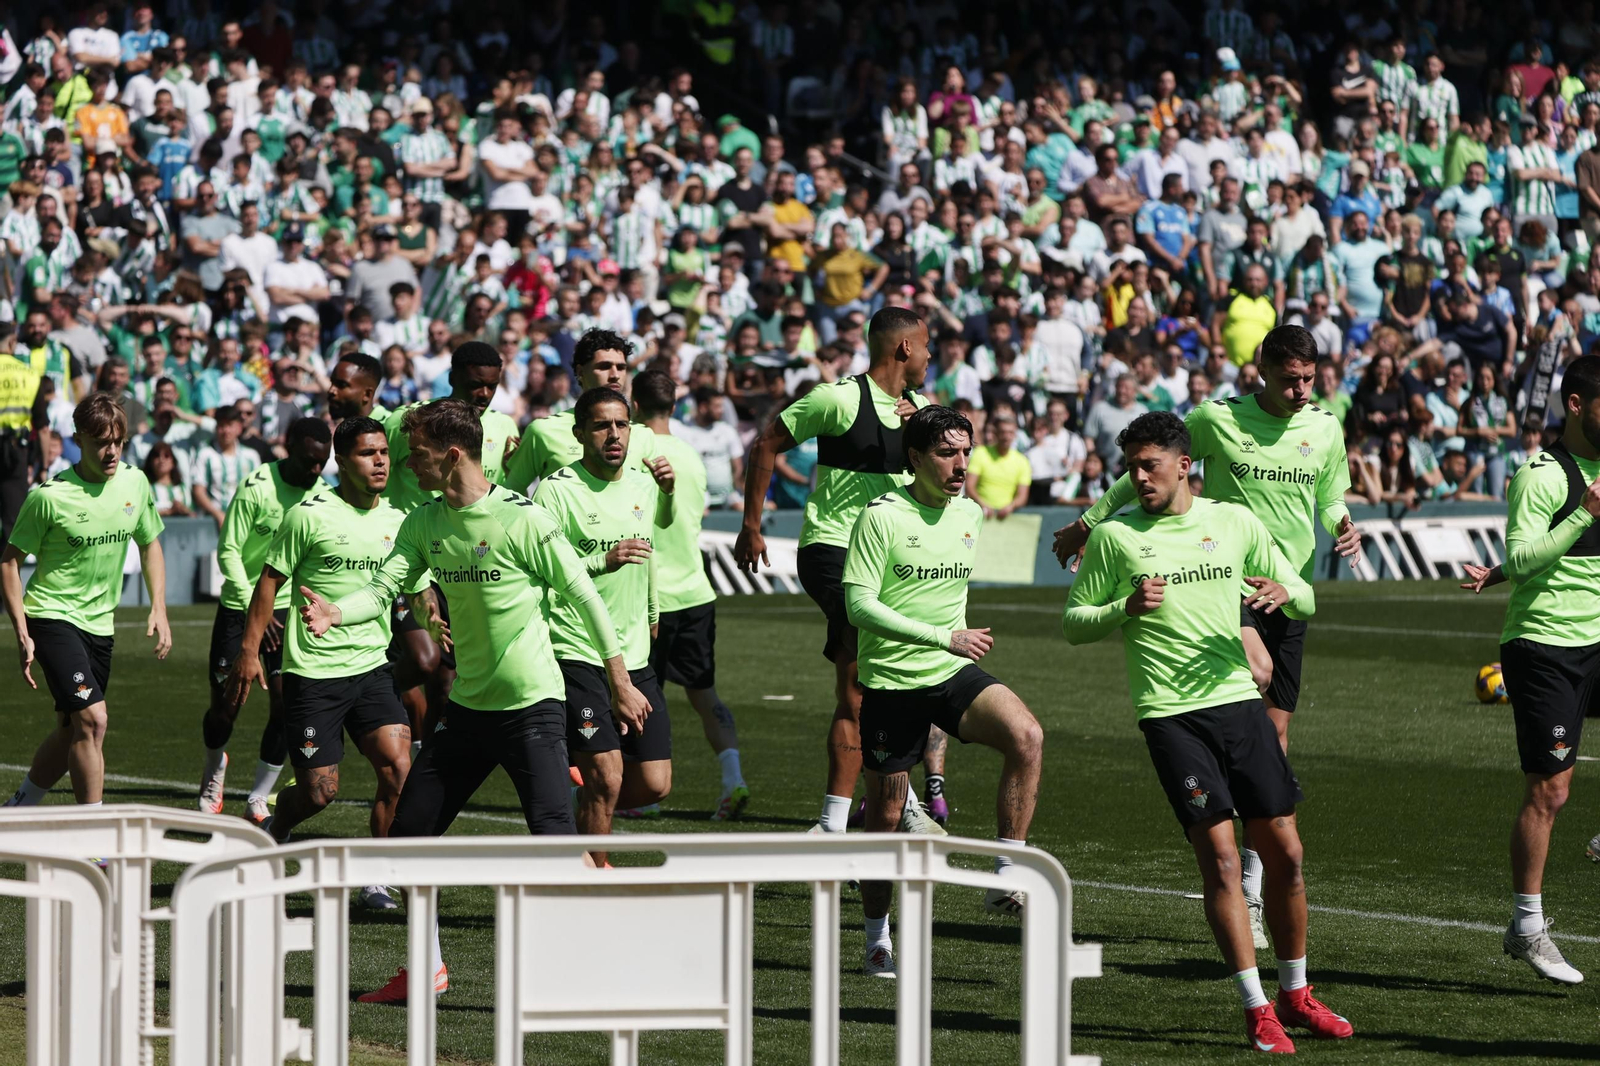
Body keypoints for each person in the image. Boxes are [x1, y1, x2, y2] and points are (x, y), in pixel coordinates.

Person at [298, 398, 651, 1003]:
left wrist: (619, 678)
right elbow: (384, 588)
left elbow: (585, 596)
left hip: (533, 708)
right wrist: (336, 610)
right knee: (408, 837)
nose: (408, 462)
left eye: (419, 452)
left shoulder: (523, 520)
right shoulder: (424, 522)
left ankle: (601, 966)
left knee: (557, 848)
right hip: (466, 712)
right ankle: (427, 968)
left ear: (453, 454)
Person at [1056, 325, 1361, 950]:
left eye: (1309, 379)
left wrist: (1343, 525)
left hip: (1283, 583)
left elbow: (1329, 493)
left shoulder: (1324, 428)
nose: (1301, 391)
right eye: (1289, 379)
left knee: (1276, 731)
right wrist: (1089, 522)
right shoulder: (1217, 419)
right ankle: (1238, 863)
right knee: (1257, 676)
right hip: (1223, 579)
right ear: (1262, 372)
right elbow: (1148, 462)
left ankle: (1252, 874)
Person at [847, 405, 1044, 977]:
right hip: (892, 684)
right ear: (915, 459)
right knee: (884, 817)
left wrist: (949, 645)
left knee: (1027, 735)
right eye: (947, 453)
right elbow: (859, 605)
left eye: (966, 452)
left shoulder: (969, 514)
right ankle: (877, 939)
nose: (961, 464)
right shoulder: (880, 517)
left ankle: (1007, 872)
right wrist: (944, 636)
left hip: (949, 672)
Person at [735, 304, 944, 836]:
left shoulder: (921, 410)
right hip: (831, 551)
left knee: (865, 685)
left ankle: (846, 818)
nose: (928, 356)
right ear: (903, 348)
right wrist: (752, 526)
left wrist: (922, 438)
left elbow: (954, 468)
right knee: (859, 680)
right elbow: (767, 443)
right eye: (924, 346)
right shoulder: (837, 398)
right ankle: (891, 807)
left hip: (888, 563)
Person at [224, 416, 416, 916]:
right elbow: (269, 581)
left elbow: (416, 583)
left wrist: (438, 616)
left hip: (372, 666)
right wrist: (248, 651)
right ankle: (276, 829)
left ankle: (376, 879)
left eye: (383, 453)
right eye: (366, 454)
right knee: (319, 792)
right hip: (314, 673)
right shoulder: (308, 515)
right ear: (341, 461)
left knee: (398, 769)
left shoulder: (398, 519)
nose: (379, 461)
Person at [1459, 355, 1600, 988]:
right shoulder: (1541, 475)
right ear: (1575, 405)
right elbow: (1523, 555)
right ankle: (1527, 925)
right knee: (1552, 791)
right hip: (1546, 646)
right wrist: (1583, 513)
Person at [2, 394, 172, 808]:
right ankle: (94, 837)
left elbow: (150, 542)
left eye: (117, 441)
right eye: (100, 442)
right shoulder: (49, 497)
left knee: (71, 729)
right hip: (51, 615)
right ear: (78, 440)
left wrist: (159, 607)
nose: (111, 450)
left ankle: (18, 810)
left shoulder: (135, 482)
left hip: (100, 624)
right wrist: (22, 631)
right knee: (94, 720)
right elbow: (8, 563)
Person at [533, 387, 676, 858]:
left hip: (636, 652)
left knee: (655, 784)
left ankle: (579, 804)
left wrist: (652, 614)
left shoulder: (640, 483)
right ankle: (594, 876)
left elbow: (648, 555)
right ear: (579, 433)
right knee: (606, 775)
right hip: (578, 650)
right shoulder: (556, 490)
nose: (613, 434)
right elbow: (544, 574)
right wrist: (601, 560)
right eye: (601, 425)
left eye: (621, 424)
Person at [196, 417, 333, 824]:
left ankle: (259, 795)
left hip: (288, 612)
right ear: (287, 447)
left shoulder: (324, 497)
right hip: (242, 609)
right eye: (309, 460)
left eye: (323, 462)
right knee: (227, 705)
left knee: (285, 704)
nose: (315, 470)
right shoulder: (257, 487)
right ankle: (213, 770)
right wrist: (256, 605)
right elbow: (230, 551)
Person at [634, 371, 749, 820]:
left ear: (635, 404)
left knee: (646, 696)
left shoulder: (637, 451)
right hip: (697, 592)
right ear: (676, 404)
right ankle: (733, 779)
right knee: (706, 696)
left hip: (652, 596)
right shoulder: (694, 456)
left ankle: (644, 796)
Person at [506, 329, 655, 487]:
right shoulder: (543, 431)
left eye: (621, 367)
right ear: (580, 372)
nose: (615, 375)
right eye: (604, 366)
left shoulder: (644, 435)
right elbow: (512, 495)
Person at [965, 409, 1032, 519]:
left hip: (1007, 518)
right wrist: (983, 504)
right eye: (1003, 432)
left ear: (1015, 434)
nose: (1006, 436)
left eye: (1010, 432)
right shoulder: (981, 453)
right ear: (996, 433)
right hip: (981, 514)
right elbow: (970, 487)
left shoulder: (1022, 461)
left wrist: (1011, 506)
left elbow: (1022, 496)